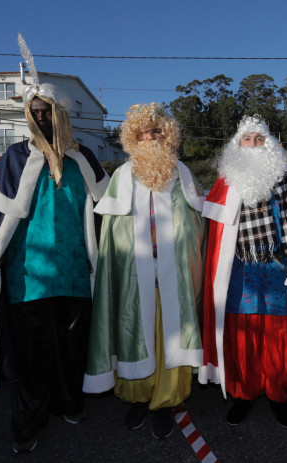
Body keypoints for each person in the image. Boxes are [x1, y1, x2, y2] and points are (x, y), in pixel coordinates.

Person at [0, 76, 109, 453]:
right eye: (35, 112)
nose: (42, 118)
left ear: (61, 114)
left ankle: (69, 403)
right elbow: (1, 220)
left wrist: (100, 258)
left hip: (77, 272)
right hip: (28, 275)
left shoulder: (84, 158)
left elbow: (102, 216)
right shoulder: (14, 158)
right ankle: (27, 423)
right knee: (32, 353)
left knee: (72, 346)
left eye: (48, 111)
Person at [83, 103, 205, 439]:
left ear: (167, 136)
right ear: (132, 138)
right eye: (142, 133)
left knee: (170, 337)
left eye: (155, 131)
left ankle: (166, 402)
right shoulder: (122, 176)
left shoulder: (182, 173)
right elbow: (111, 232)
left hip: (174, 275)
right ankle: (139, 397)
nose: (149, 137)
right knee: (134, 334)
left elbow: (196, 225)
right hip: (133, 277)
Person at [199, 115, 287, 428]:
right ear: (237, 145)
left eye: (259, 139)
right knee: (242, 332)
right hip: (239, 271)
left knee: (278, 336)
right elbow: (213, 235)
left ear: (269, 144)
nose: (254, 145)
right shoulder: (225, 181)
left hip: (277, 268)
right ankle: (244, 393)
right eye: (247, 139)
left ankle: (279, 394)